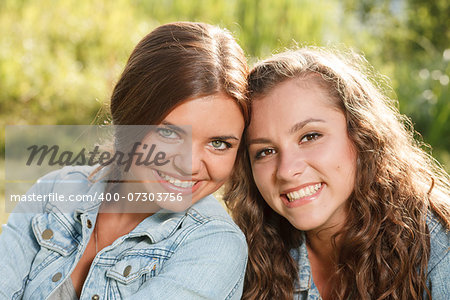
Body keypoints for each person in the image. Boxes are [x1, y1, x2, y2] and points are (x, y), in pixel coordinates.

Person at [0, 22, 249, 299]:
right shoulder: (54, 192)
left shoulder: (214, 245)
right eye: (169, 133)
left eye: (219, 144)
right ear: (129, 117)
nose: (189, 165)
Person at [224, 47, 450, 299]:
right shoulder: (248, 254)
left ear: (362, 133)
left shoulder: (439, 247)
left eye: (310, 137)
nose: (287, 170)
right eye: (265, 151)